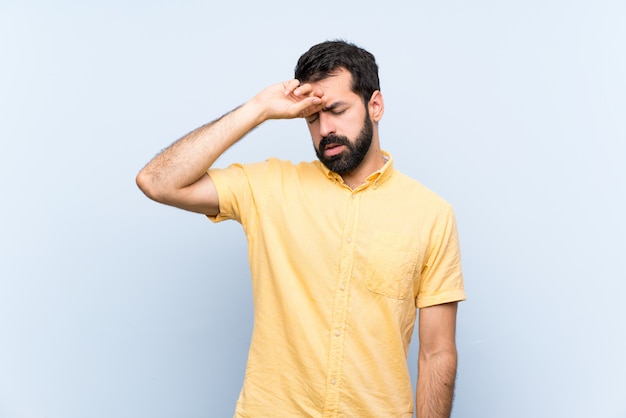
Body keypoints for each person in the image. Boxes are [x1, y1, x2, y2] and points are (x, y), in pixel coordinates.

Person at [136, 40, 466, 418]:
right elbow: (157, 181)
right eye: (312, 117)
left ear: (375, 105)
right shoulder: (269, 187)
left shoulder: (430, 213)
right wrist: (257, 109)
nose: (325, 129)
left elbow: (437, 352)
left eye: (337, 110)